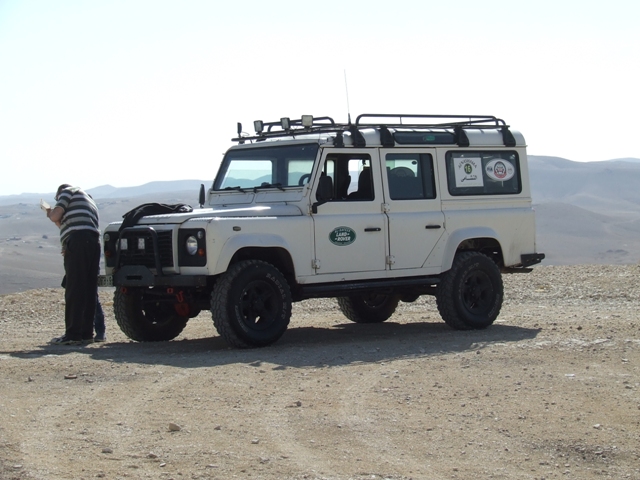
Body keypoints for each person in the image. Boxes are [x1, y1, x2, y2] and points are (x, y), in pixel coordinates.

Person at [46, 184, 101, 345]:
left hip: (78, 240)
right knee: (89, 289)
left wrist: (49, 212)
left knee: (74, 287)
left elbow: (56, 216)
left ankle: (72, 334)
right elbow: (64, 224)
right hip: (93, 241)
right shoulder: (88, 199)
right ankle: (86, 333)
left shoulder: (68, 192)